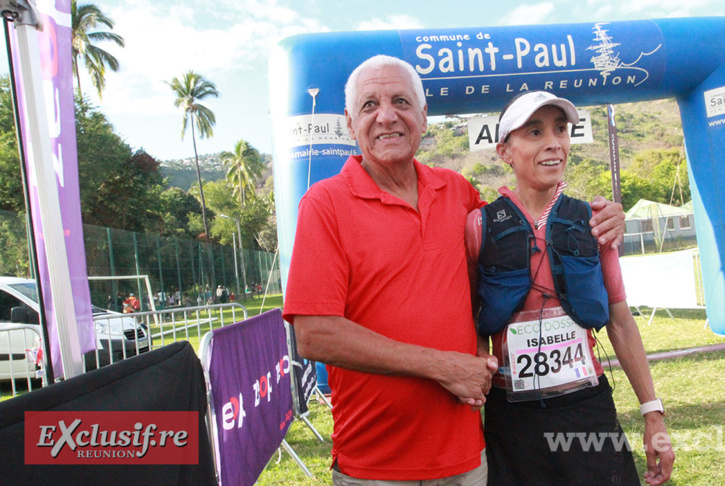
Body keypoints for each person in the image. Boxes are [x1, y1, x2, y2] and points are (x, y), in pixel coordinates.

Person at [283, 55, 626, 484]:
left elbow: (528, 226)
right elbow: (313, 333)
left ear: (424, 117)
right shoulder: (324, 204)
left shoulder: (457, 192)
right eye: (369, 105)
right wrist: (441, 366)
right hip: (376, 462)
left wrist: (602, 216)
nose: (387, 116)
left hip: (466, 456)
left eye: (402, 102)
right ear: (351, 124)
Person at [466, 91, 674, 485]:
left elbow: (620, 321)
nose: (553, 142)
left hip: (587, 409)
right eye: (534, 131)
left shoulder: (595, 221)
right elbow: (472, 323)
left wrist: (653, 415)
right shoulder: (479, 227)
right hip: (512, 417)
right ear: (504, 151)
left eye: (560, 129)